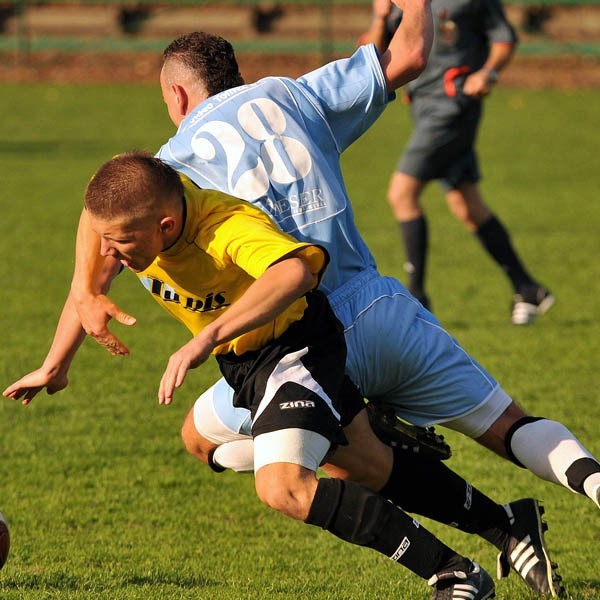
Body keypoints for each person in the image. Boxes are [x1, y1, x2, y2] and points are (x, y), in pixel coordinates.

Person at [65, 22, 599, 596]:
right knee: (506, 427)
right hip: (382, 310)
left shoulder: (170, 166)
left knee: (282, 457)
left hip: (294, 338)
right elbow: (411, 53)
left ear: (176, 95)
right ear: (234, 74)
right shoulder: (290, 94)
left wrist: (79, 302)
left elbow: (106, 209)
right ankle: (549, 502)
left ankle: (448, 549)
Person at [5, 151, 499, 599]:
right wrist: (55, 364)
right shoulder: (129, 212)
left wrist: (205, 336)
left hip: (295, 349)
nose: (111, 253)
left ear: (167, 224)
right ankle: (500, 521)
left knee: (283, 486)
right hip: (243, 365)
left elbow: (294, 274)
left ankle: (454, 573)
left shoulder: (223, 227)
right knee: (209, 443)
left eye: (123, 242)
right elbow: (94, 230)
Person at [359, 0, 554, 325]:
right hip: (422, 108)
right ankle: (528, 287)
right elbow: (367, 59)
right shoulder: (399, 2)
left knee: (401, 194)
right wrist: (380, 17)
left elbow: (505, 38)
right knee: (467, 205)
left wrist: (488, 72)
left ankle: (417, 300)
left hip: (454, 108)